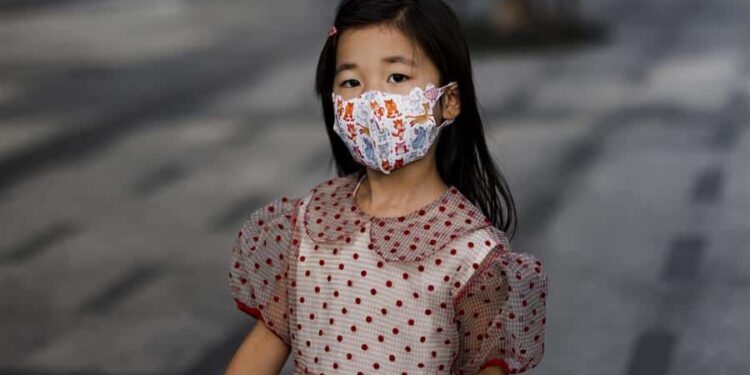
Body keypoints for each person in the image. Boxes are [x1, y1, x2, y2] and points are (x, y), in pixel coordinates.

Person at [223, 1, 548, 374]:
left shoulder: (472, 253)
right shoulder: (310, 222)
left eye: (396, 78)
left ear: (450, 100)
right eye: (351, 82)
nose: (370, 101)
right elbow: (266, 342)